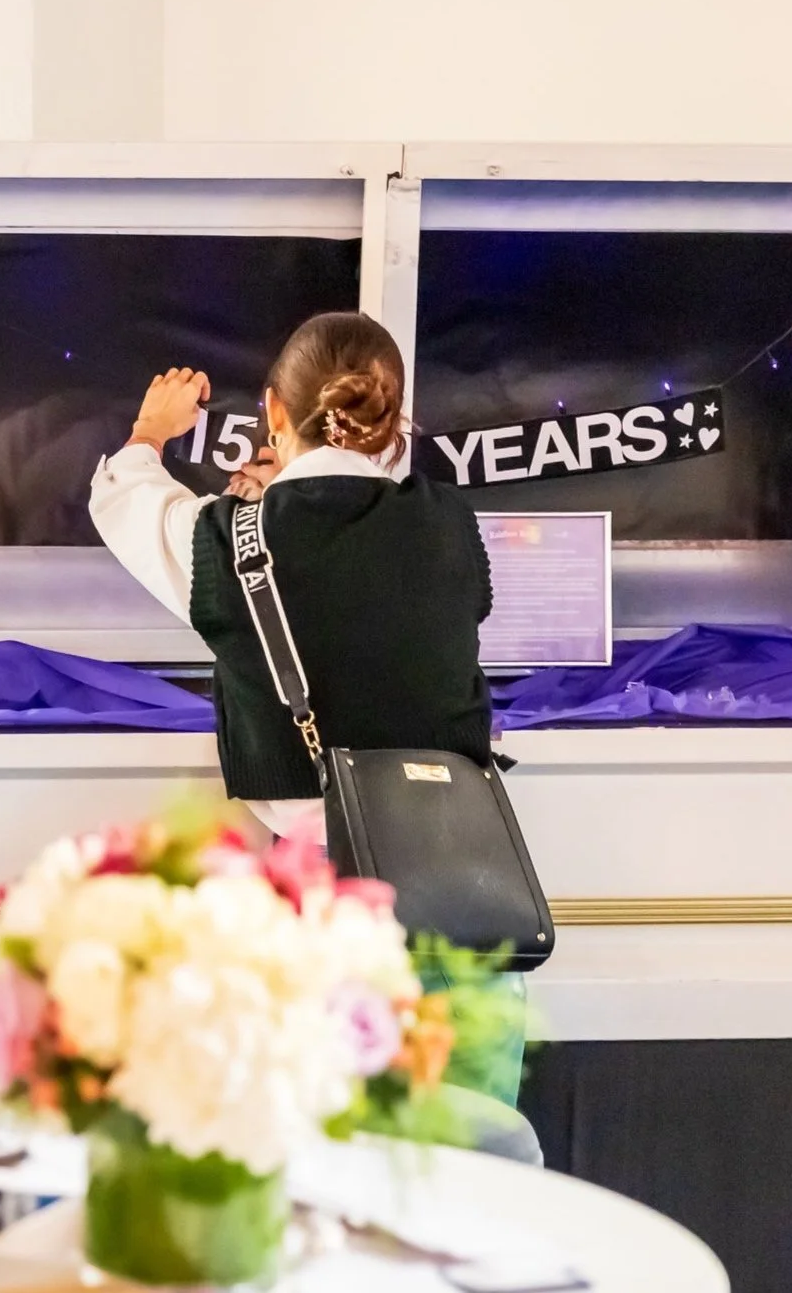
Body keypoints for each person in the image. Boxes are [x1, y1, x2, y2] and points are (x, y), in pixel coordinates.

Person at [89, 311, 537, 1163]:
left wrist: (152, 432)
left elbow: (126, 499)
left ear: (272, 412)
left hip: (318, 920)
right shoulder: (450, 526)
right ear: (395, 418)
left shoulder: (229, 542)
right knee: (480, 1178)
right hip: (465, 894)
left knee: (325, 1187)